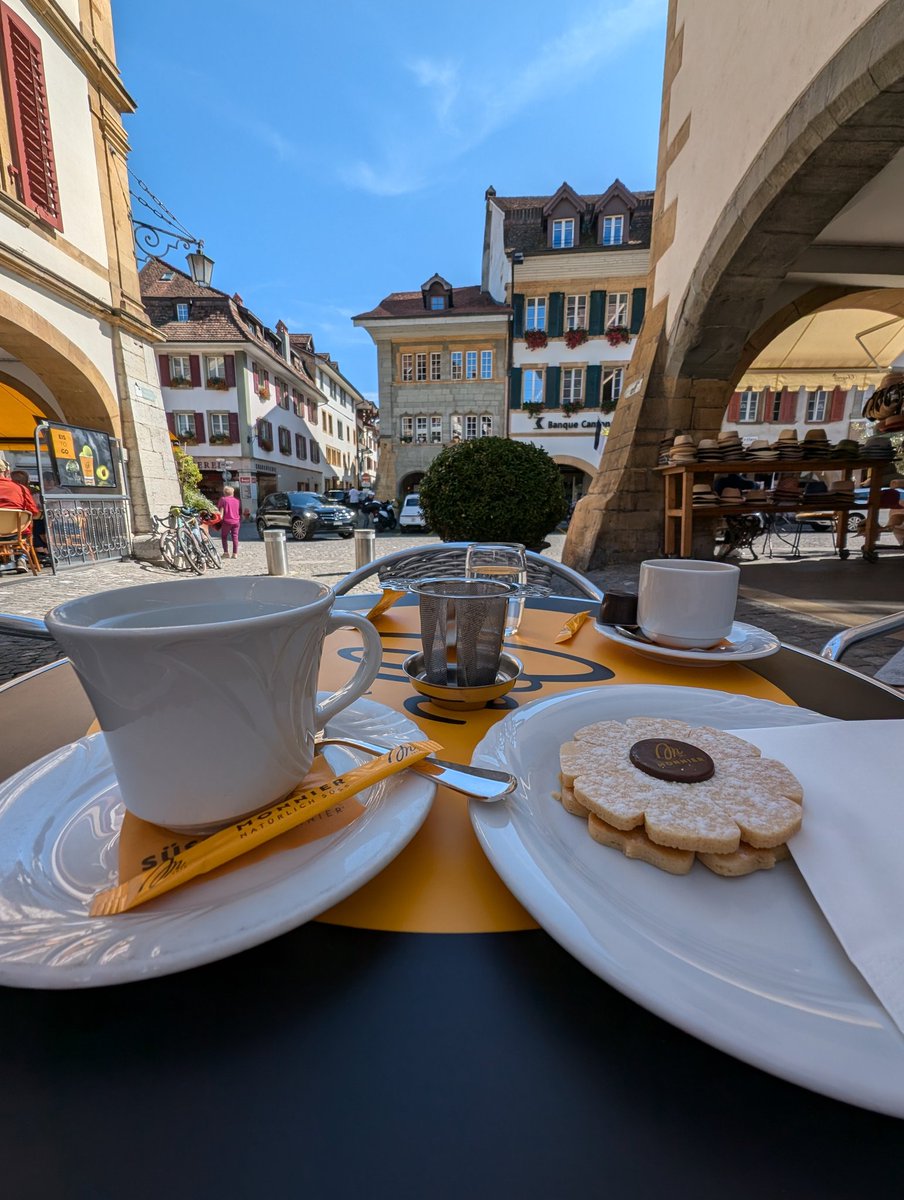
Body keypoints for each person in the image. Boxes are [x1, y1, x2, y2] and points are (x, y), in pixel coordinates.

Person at [0, 454, 39, 573]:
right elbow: (34, 512)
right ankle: (21, 558)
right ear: (6, 471)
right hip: (18, 532)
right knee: (27, 531)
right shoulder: (20, 488)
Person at [217, 486, 241, 559]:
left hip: (227, 521)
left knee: (224, 536)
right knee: (235, 537)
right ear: (232, 492)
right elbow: (239, 511)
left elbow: (220, 510)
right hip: (236, 521)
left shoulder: (223, 499)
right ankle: (235, 553)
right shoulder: (237, 501)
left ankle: (226, 553)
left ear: (224, 493)